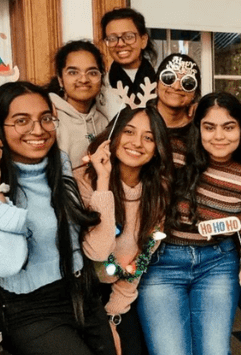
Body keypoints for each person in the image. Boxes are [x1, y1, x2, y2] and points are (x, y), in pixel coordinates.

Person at [0, 82, 115, 355]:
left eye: (45, 118)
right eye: (21, 121)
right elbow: (6, 262)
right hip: (30, 308)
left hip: (83, 296)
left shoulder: (60, 164)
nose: (38, 130)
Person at [137, 92, 241, 355]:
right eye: (209, 127)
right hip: (162, 263)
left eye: (229, 127)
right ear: (197, 128)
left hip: (217, 265)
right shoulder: (172, 154)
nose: (219, 136)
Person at [76, 105, 172, 355]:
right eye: (129, 132)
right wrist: (104, 181)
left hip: (121, 288)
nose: (137, 143)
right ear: (113, 136)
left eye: (148, 137)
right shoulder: (84, 181)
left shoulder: (158, 192)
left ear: (156, 149)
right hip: (81, 291)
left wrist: (114, 315)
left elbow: (141, 259)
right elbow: (97, 251)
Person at [47, 40, 110, 168]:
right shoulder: (50, 119)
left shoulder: (104, 123)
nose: (83, 79)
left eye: (92, 72)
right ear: (60, 79)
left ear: (101, 78)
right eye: (73, 72)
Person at [152, 53, 202, 168]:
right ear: (156, 84)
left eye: (187, 83)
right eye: (168, 78)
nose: (176, 86)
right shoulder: (136, 119)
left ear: (195, 93)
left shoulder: (201, 127)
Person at [101, 8, 157, 99]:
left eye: (128, 36)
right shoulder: (99, 86)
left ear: (143, 40)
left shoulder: (163, 84)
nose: (120, 44)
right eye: (112, 38)